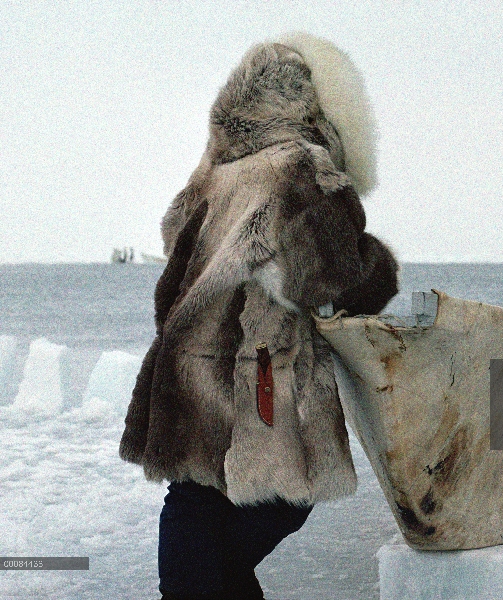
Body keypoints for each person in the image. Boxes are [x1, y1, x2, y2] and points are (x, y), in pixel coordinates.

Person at [119, 33, 398, 600]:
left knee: (198, 490)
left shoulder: (215, 173)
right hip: (261, 368)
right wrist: (378, 268)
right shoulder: (300, 168)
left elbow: (175, 240)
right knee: (279, 500)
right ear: (312, 101)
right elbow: (334, 275)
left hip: (192, 358)